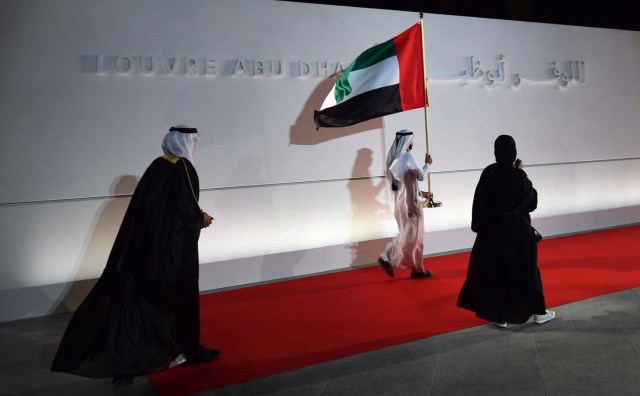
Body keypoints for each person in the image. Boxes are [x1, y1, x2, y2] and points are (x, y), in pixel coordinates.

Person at [51, 126, 220, 386]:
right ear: (187, 143)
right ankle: (181, 348)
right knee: (176, 298)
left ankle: (131, 357)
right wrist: (202, 218)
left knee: (142, 302)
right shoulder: (183, 168)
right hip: (171, 253)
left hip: (146, 250)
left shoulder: (157, 166)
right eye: (194, 141)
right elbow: (185, 209)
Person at [457, 135, 554, 327]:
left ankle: (501, 316)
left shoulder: (489, 173)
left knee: (498, 273)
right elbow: (532, 202)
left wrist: (479, 227)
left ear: (496, 151)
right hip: (519, 234)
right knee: (528, 272)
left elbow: (479, 203)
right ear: (514, 152)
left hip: (494, 234)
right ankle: (539, 313)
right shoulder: (519, 176)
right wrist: (519, 172)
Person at [377, 130, 434, 279]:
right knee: (416, 237)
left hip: (401, 204)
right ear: (408, 143)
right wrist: (427, 164)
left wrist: (422, 194)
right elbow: (421, 176)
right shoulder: (407, 156)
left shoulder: (393, 159)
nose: (412, 145)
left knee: (408, 234)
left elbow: (406, 185)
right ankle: (411, 267)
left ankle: (413, 266)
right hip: (412, 205)